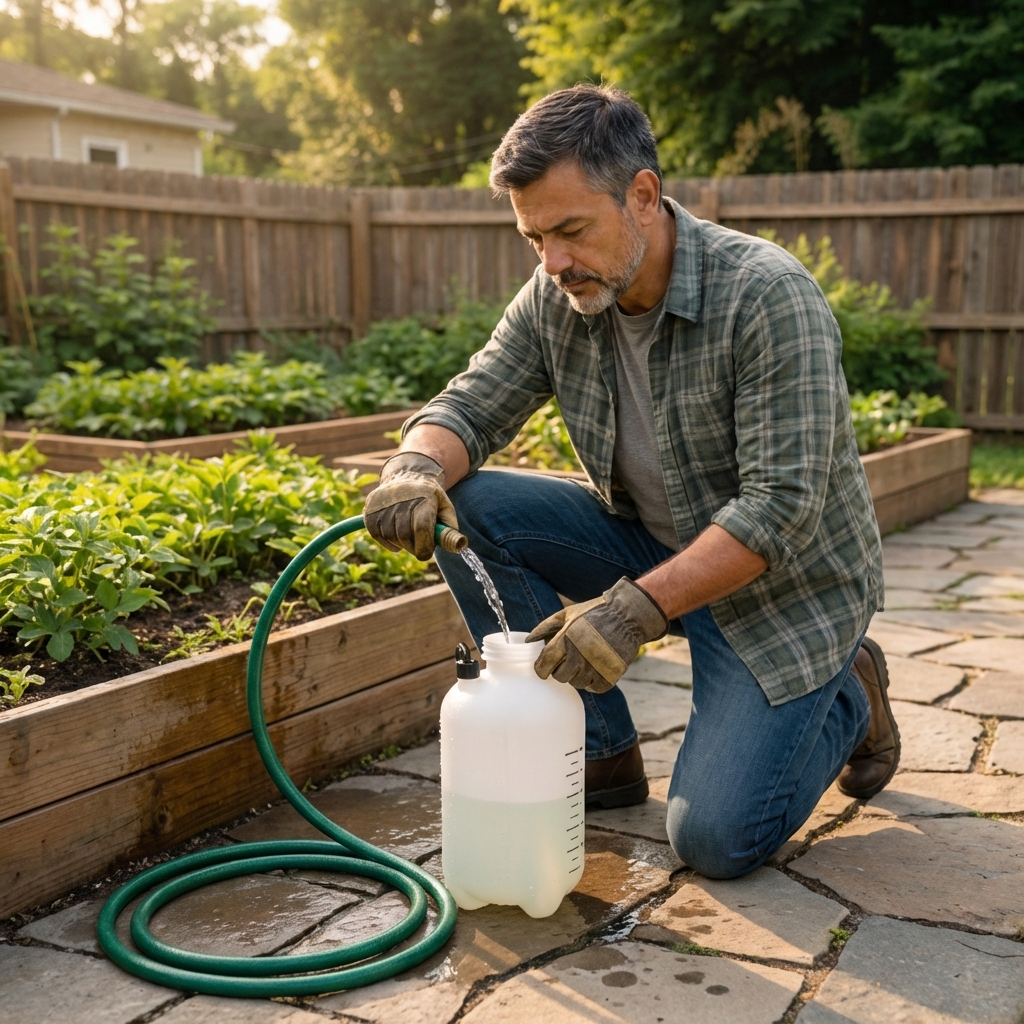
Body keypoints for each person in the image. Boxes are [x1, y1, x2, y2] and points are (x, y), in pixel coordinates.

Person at [364, 85, 899, 880]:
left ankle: (850, 692)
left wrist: (632, 611)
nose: (552, 262)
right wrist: (413, 464)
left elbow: (780, 508)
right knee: (470, 504)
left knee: (716, 840)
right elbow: (470, 404)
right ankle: (602, 750)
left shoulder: (765, 294)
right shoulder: (559, 295)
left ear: (642, 195)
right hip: (656, 541)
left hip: (786, 592)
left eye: (571, 230)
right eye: (533, 237)